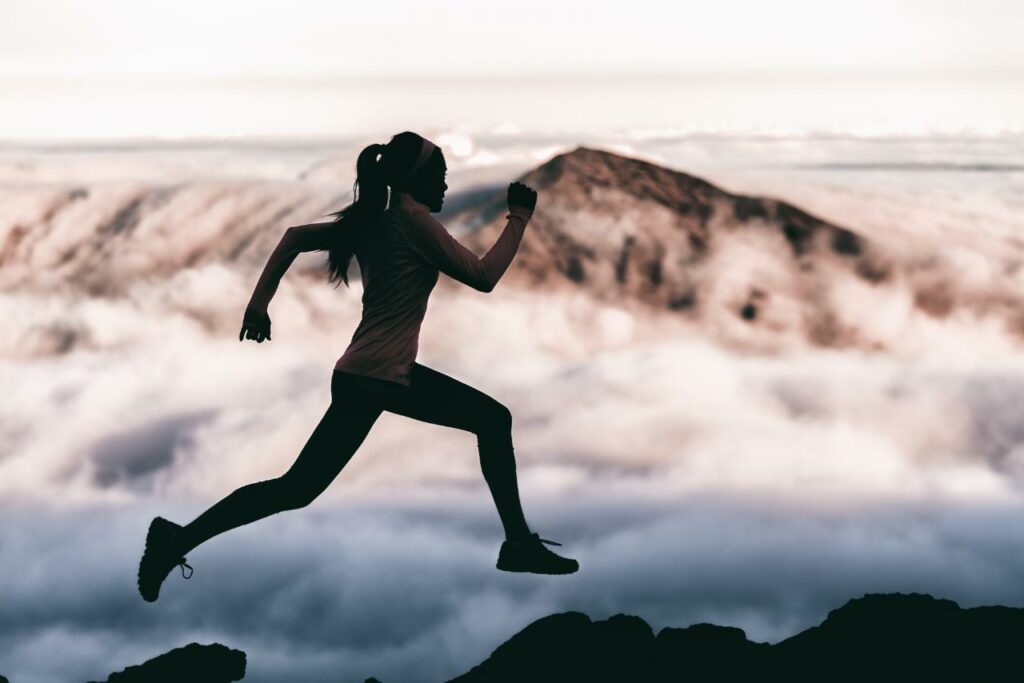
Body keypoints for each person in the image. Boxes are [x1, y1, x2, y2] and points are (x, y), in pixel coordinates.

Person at [137, 131, 578, 603]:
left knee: (294, 489)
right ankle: (517, 545)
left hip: (364, 376)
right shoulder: (414, 222)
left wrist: (258, 306)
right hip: (382, 379)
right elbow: (484, 277)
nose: (447, 188)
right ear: (417, 180)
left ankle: (175, 540)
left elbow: (292, 239)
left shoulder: (374, 220)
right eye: (441, 177)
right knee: (492, 420)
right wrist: (519, 218)